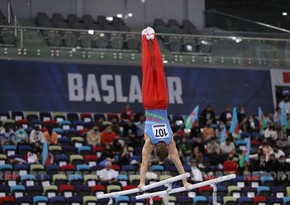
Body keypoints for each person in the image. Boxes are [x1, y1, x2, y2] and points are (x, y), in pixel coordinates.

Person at [138, 27, 191, 190]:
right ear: (155, 150)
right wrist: (141, 183)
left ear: (166, 149)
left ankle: (152, 37)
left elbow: (179, 163)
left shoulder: (170, 140)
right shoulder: (149, 142)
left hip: (162, 102)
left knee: (158, 69)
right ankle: (145, 38)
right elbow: (144, 163)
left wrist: (185, 181)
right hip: (148, 103)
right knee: (148, 69)